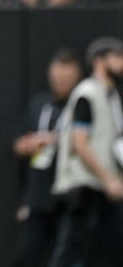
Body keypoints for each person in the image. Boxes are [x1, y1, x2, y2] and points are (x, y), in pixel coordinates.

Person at [50, 37, 123, 267]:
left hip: (100, 186)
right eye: (118, 57)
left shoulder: (110, 95)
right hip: (83, 187)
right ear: (100, 61)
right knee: (71, 250)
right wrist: (108, 179)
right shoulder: (88, 93)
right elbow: (80, 144)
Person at [12, 48, 83, 267]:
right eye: (57, 77)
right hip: (38, 194)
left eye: (66, 78)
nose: (61, 82)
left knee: (67, 254)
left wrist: (56, 140)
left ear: (77, 77)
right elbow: (17, 145)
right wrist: (31, 144)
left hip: (70, 194)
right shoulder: (38, 103)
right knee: (27, 254)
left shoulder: (82, 105)